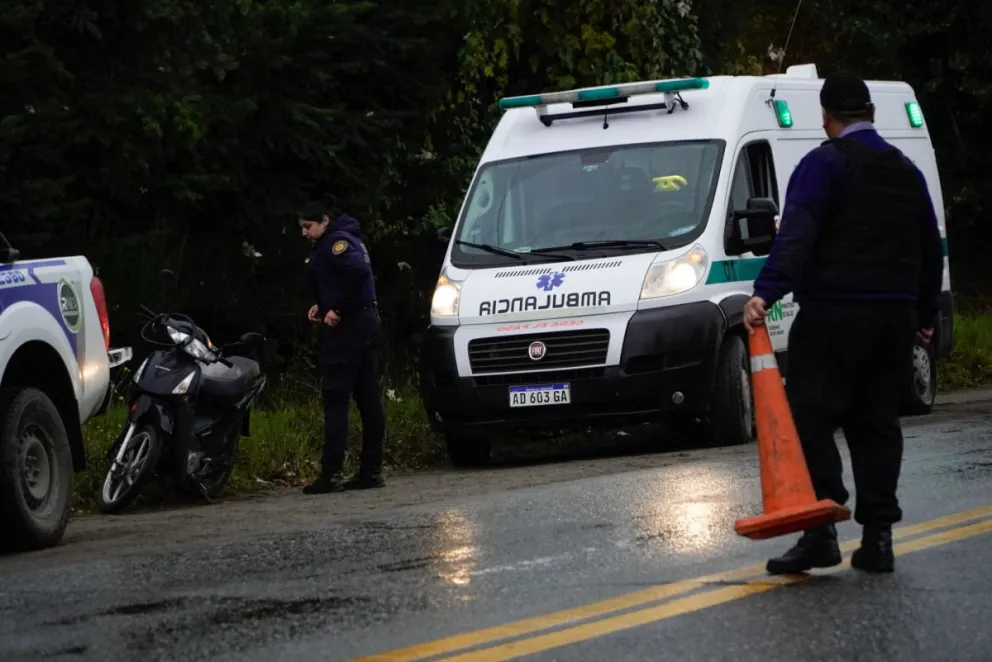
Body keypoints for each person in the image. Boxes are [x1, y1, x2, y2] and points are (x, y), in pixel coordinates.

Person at [742, 72, 944, 574]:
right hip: (892, 319)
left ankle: (821, 528)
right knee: (877, 425)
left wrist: (765, 293)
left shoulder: (821, 165)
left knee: (808, 417)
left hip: (835, 314)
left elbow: (798, 236)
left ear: (826, 116)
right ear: (871, 113)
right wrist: (923, 315)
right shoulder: (907, 171)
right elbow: (928, 247)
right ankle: (878, 540)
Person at [298, 198, 386, 493]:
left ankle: (331, 473)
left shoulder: (337, 242)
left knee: (336, 398)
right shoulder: (347, 239)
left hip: (351, 327)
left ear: (324, 221)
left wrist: (337, 309)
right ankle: (371, 470)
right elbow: (343, 281)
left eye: (308, 226)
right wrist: (322, 306)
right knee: (368, 397)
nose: (305, 233)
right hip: (365, 322)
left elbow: (357, 272)